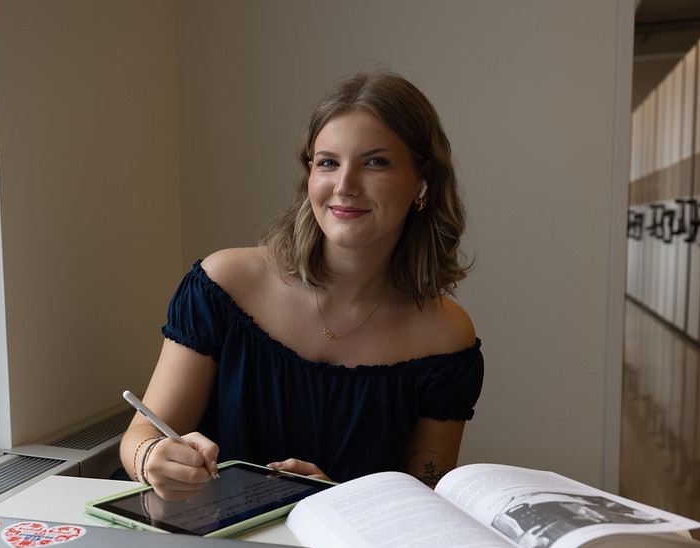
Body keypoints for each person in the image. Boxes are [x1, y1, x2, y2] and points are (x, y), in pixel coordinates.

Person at [120, 70, 484, 501]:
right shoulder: (224, 285)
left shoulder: (444, 337)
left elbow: (424, 502)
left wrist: (337, 499)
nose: (344, 186)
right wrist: (151, 457)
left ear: (422, 180)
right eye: (327, 162)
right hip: (209, 547)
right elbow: (141, 433)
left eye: (375, 162)